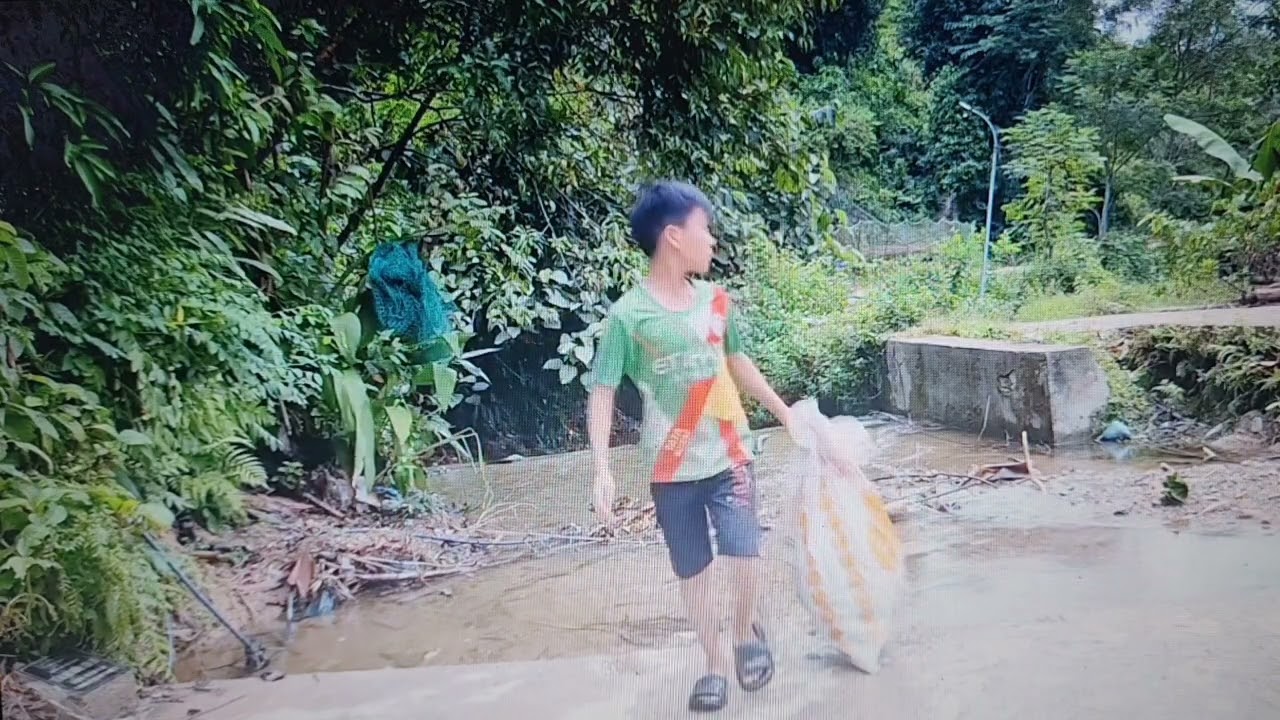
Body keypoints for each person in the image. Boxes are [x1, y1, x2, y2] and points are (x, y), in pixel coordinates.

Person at [587, 181, 793, 713]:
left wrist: (785, 412)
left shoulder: (716, 303)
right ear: (674, 237)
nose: (712, 242)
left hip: (729, 453)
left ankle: (745, 632)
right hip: (670, 466)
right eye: (705, 230)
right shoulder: (627, 318)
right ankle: (715, 664)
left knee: (745, 551)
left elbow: (738, 362)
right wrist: (601, 468)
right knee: (693, 569)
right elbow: (603, 389)